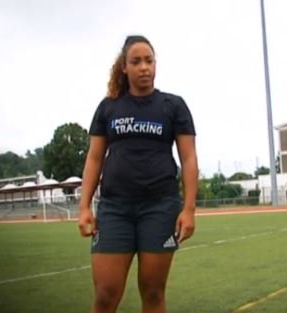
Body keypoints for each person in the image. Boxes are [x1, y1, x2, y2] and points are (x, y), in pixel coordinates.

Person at [78, 35, 198, 313]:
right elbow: (94, 158)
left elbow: (189, 158)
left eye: (149, 61)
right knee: (106, 294)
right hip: (114, 210)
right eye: (136, 61)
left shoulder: (173, 106)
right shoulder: (108, 107)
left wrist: (189, 209)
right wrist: (84, 206)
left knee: (153, 292)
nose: (144, 67)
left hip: (160, 208)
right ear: (124, 67)